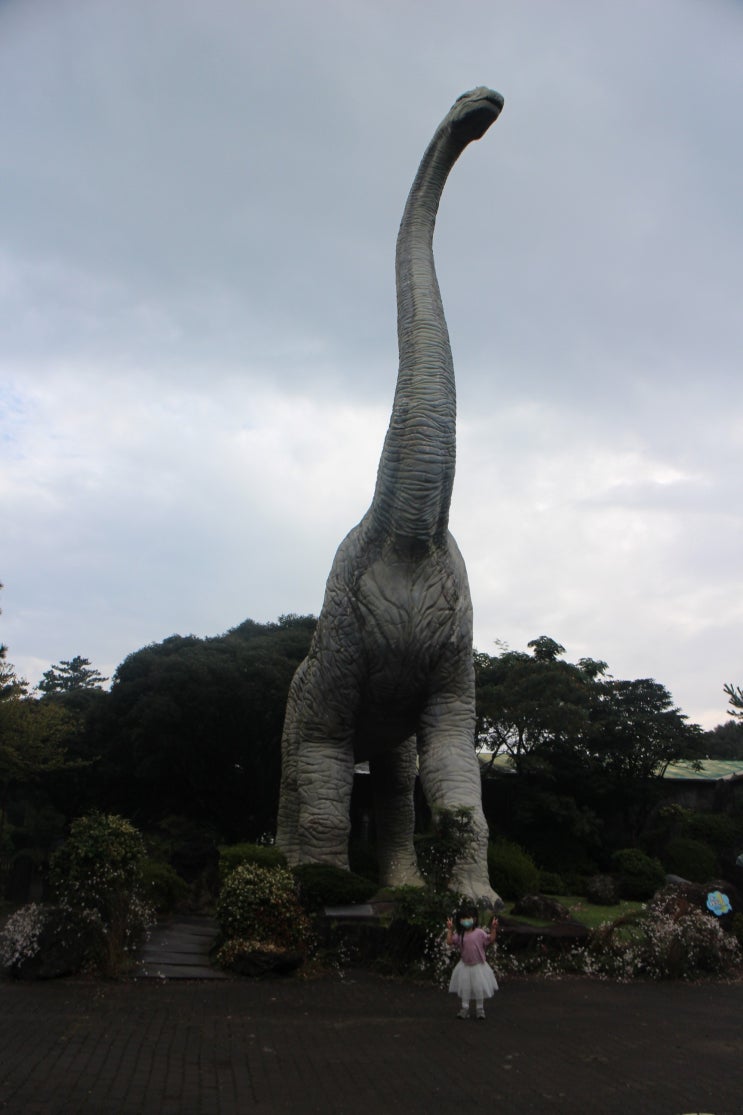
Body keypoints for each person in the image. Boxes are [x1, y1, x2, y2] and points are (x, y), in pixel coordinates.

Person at [445, 904, 499, 1020]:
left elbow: (490, 939)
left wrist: (493, 928)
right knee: (465, 988)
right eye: (463, 918)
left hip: (478, 966)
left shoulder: (479, 933)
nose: (465, 921)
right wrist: (449, 929)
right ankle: (465, 1008)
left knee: (478, 987)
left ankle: (480, 1009)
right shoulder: (460, 935)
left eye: (468, 918)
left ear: (474, 919)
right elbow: (449, 941)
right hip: (465, 966)